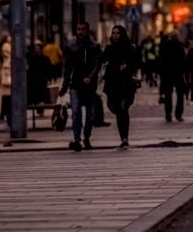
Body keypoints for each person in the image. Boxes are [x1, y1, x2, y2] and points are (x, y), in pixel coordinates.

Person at [60, 22, 102, 152]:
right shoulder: (71, 47)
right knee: (76, 112)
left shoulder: (95, 47)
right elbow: (67, 68)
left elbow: (97, 64)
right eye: (78, 29)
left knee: (90, 114)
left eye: (83, 29)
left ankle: (87, 137)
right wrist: (64, 86)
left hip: (90, 86)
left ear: (87, 30)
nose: (80, 32)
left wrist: (90, 77)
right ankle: (77, 139)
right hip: (76, 84)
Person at [101, 25, 141, 148]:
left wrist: (127, 66)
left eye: (118, 33)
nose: (115, 35)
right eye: (113, 33)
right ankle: (123, 137)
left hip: (126, 84)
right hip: (113, 84)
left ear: (122, 34)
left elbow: (136, 64)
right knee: (116, 109)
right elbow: (102, 61)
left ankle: (124, 138)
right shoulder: (109, 48)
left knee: (123, 108)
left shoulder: (130, 48)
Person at [157, 31, 187, 122]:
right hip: (178, 74)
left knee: (168, 95)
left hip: (167, 74)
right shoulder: (180, 46)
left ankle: (168, 114)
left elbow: (160, 61)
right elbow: (183, 61)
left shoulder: (164, 46)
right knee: (180, 95)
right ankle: (178, 114)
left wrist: (161, 73)